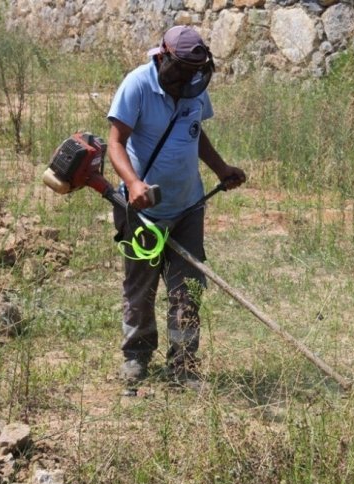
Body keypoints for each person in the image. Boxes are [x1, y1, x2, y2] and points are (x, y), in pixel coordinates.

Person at [107, 26, 246, 391]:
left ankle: (183, 366)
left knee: (188, 288)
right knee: (142, 286)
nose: (186, 80)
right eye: (180, 71)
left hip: (188, 206)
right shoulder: (137, 84)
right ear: (163, 57)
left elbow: (195, 132)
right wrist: (134, 184)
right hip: (143, 211)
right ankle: (136, 357)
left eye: (193, 73)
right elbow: (116, 143)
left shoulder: (195, 87)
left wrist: (221, 169)